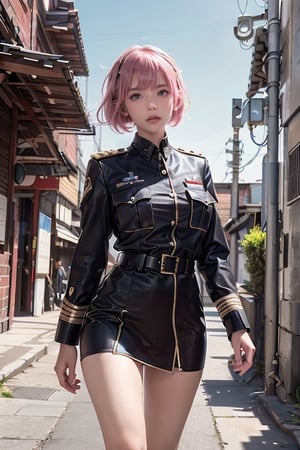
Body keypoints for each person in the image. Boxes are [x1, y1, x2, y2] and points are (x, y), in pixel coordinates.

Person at [54, 45, 255, 450]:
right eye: (137, 95)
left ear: (175, 96)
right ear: (122, 104)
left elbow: (213, 256)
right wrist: (67, 340)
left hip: (183, 325)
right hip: (115, 319)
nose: (152, 104)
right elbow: (90, 256)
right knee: (128, 444)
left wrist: (238, 326)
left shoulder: (198, 168)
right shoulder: (107, 168)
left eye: (162, 92)